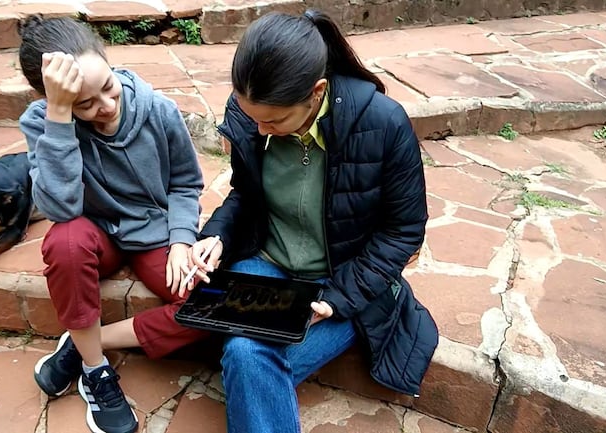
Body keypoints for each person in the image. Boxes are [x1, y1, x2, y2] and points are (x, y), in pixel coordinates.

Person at [185, 9, 440, 433]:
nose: (260, 129)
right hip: (267, 266)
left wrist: (339, 298)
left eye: (275, 120)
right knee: (249, 355)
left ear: (316, 91)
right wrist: (217, 235)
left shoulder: (383, 123)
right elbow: (245, 195)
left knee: (248, 358)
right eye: (253, 118)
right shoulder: (252, 113)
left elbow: (403, 231)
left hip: (345, 279)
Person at [17, 15, 208, 433]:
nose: (105, 106)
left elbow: (186, 183)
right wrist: (60, 119)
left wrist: (181, 241)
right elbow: (60, 207)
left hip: (154, 233)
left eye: (107, 87)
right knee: (64, 243)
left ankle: (86, 341)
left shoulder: (158, 109)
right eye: (84, 103)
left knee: (209, 307)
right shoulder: (42, 123)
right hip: (93, 233)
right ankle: (96, 372)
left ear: (109, 62)